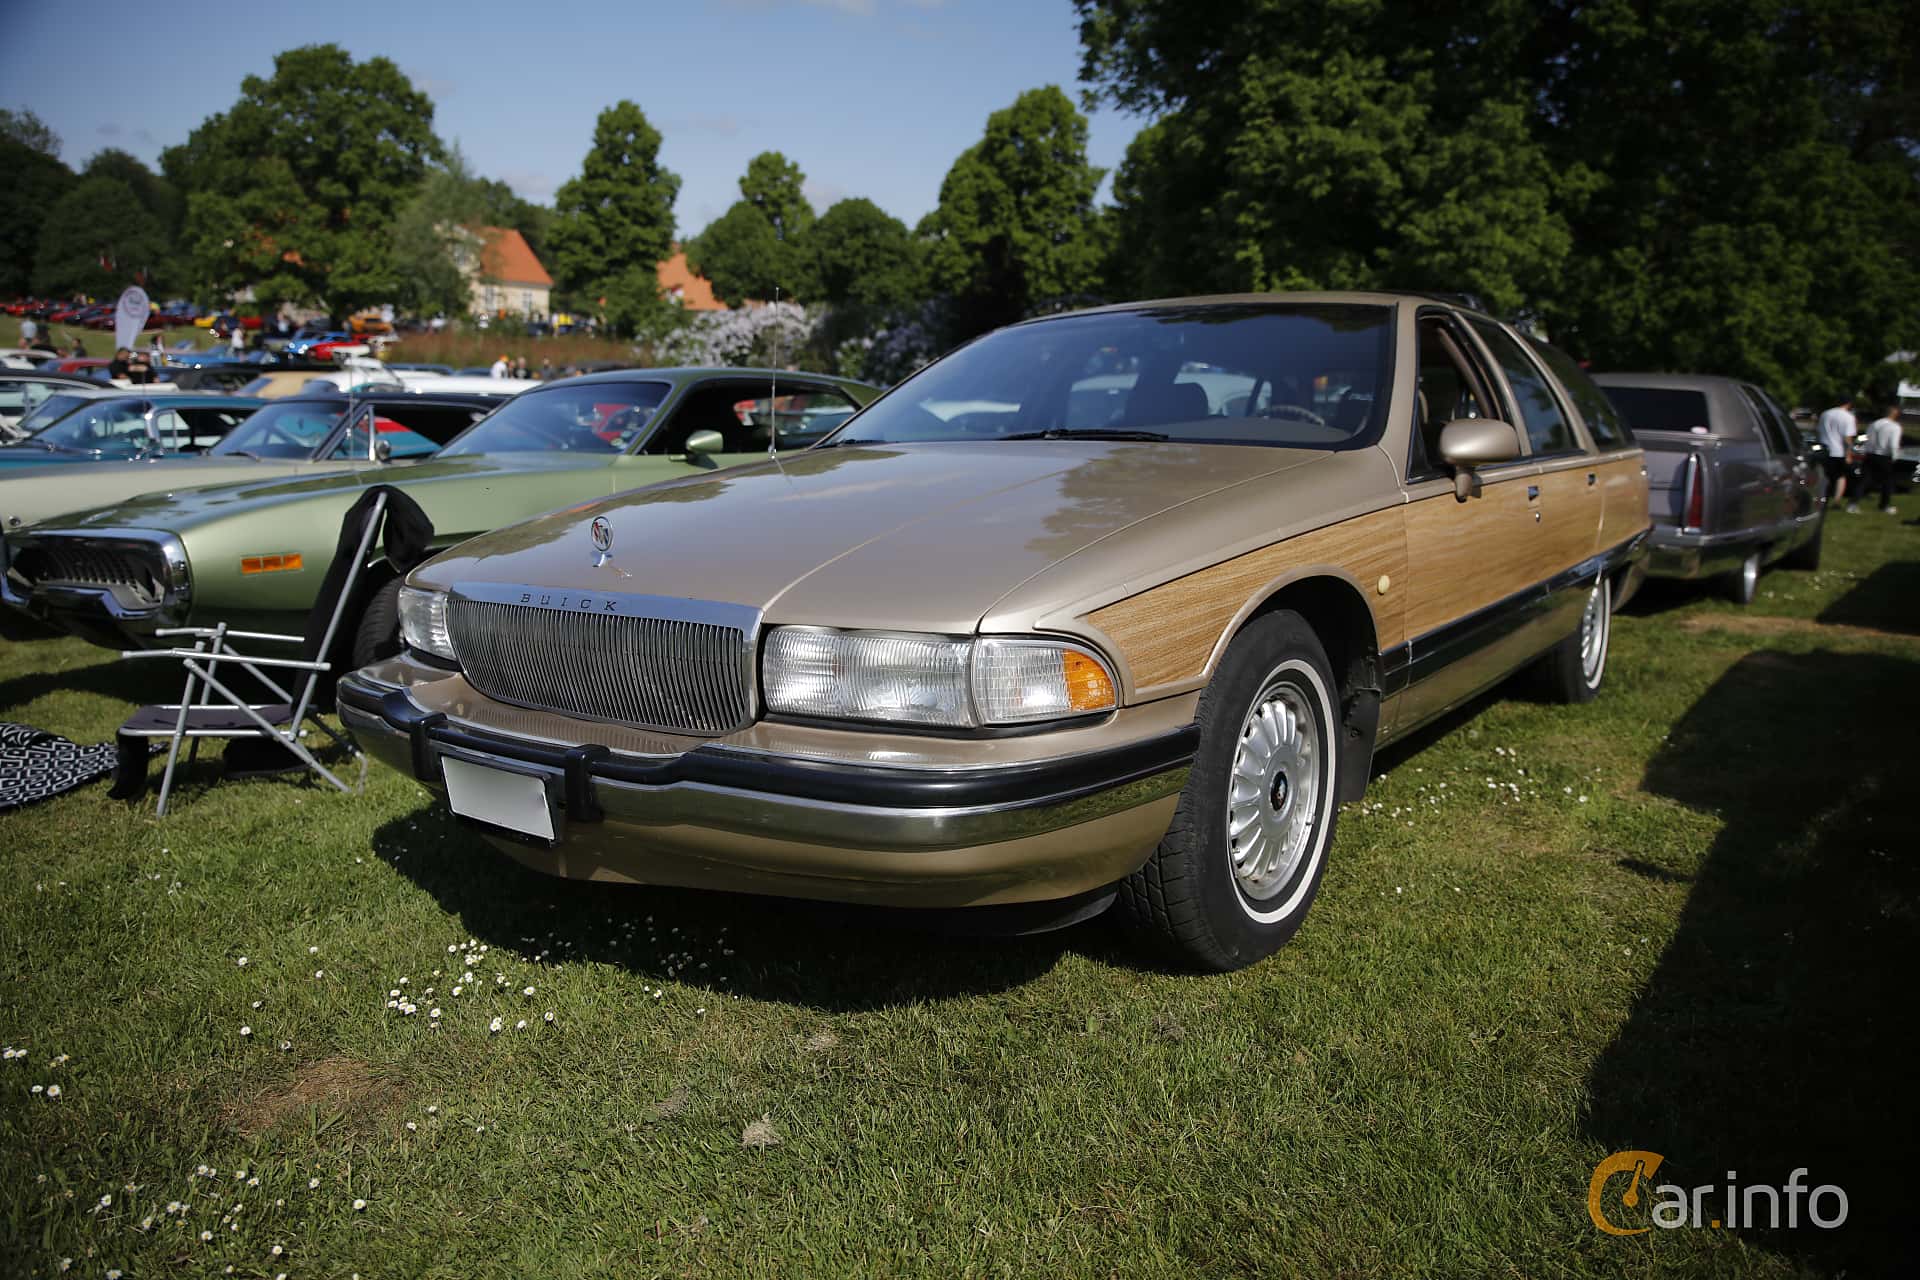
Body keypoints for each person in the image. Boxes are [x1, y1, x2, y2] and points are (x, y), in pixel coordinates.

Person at [1854, 403, 1903, 515]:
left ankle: (1853, 503)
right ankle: (1884, 505)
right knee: (1887, 482)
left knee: (1864, 480)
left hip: (1870, 454)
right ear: (1895, 413)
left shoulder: (1874, 424)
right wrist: (1895, 457)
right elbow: (1893, 444)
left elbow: (1867, 438)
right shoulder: (1894, 427)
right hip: (1884, 456)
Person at [1816, 395, 1857, 506]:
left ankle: (1820, 498)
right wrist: (1849, 453)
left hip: (1824, 449)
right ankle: (1836, 500)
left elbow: (1819, 431)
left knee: (1824, 476)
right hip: (1839, 451)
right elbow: (1847, 438)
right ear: (1849, 404)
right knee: (1840, 476)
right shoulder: (1848, 417)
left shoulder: (1825, 414)